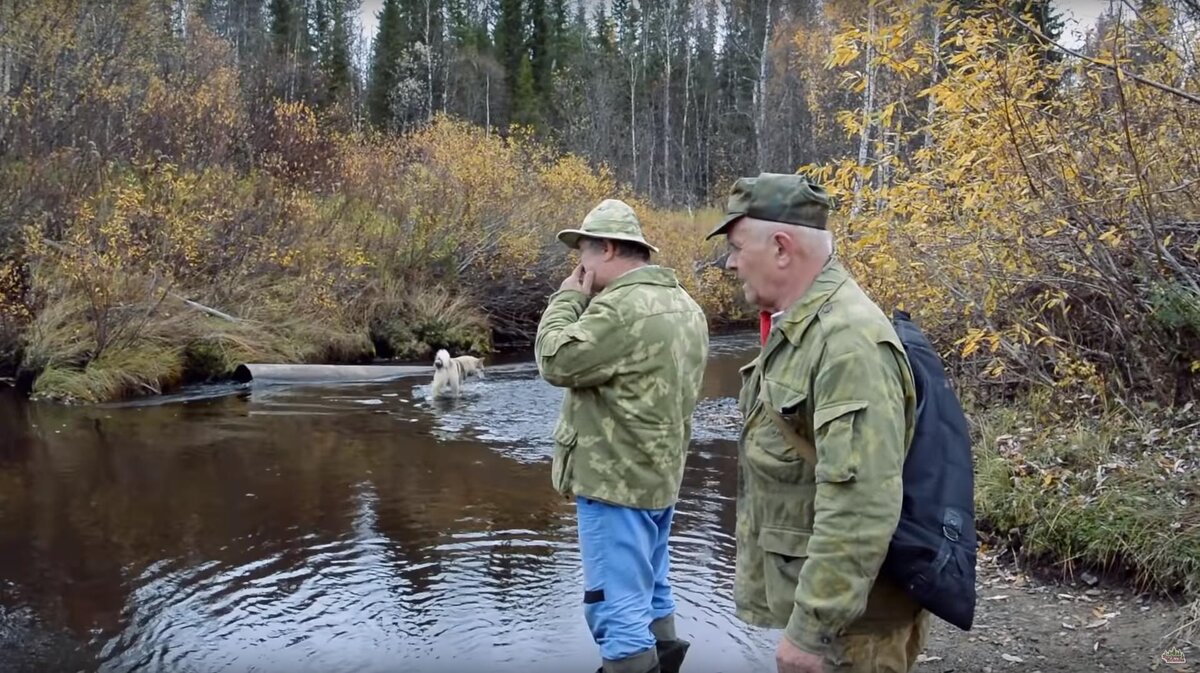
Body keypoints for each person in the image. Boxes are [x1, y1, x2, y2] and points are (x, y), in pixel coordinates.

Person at [704, 172, 928, 673]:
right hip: (840, 620)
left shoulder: (846, 342)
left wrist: (811, 629)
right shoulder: (805, 326)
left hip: (850, 634)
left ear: (782, 248)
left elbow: (861, 500)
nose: (732, 262)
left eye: (738, 247)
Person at [535, 199, 710, 673]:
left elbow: (555, 360)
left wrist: (567, 298)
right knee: (653, 591)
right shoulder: (685, 304)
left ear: (608, 248)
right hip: (658, 479)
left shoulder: (619, 309)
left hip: (613, 484)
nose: (580, 270)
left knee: (615, 608)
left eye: (583, 258)